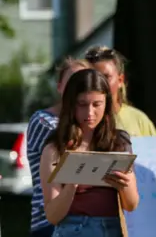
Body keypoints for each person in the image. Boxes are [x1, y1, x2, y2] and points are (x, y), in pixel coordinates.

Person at [39, 69, 139, 237]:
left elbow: (131, 205)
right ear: (71, 104)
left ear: (106, 103)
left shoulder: (119, 143)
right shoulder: (55, 149)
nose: (90, 113)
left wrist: (126, 184)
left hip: (112, 229)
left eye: (97, 104)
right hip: (72, 230)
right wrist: (71, 184)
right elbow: (52, 216)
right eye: (82, 104)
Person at [26, 58, 90, 237]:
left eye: (82, 83)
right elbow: (73, 149)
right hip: (49, 223)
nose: (76, 89)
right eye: (71, 82)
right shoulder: (43, 121)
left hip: (86, 222)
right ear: (59, 86)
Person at [85, 46, 156, 137]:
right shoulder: (80, 118)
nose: (99, 83)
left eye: (106, 77)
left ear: (120, 80)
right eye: (93, 77)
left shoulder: (139, 120)